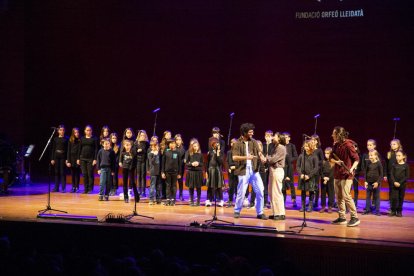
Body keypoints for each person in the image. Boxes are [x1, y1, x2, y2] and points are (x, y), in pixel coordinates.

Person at [232, 123, 267, 220]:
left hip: (254, 170)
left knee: (260, 190)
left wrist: (262, 157)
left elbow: (259, 152)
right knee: (241, 192)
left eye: (252, 131)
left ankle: (260, 212)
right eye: (250, 132)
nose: (252, 133)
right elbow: (234, 157)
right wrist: (246, 157)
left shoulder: (254, 141)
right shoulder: (237, 143)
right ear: (244, 132)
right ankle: (237, 210)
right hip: (243, 170)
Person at [330, 126, 360, 227]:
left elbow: (356, 159)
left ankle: (354, 217)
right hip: (337, 173)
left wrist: (351, 169)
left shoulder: (348, 145)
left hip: (347, 175)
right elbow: (330, 158)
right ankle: (342, 217)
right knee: (338, 196)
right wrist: (336, 161)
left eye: (333, 133)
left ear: (338, 134)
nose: (332, 135)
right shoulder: (336, 144)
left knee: (346, 195)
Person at [266, 133, 287, 220]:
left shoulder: (281, 147)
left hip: (277, 170)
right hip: (272, 170)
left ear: (279, 138)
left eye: (274, 136)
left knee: (277, 192)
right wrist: (269, 158)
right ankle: (275, 212)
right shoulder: (275, 146)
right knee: (271, 192)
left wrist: (268, 158)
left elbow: (273, 159)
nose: (273, 137)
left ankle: (280, 213)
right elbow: (271, 158)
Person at [296, 140, 319, 212]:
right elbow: (298, 166)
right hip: (303, 177)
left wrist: (309, 176)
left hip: (310, 177)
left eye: (307, 146)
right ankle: (303, 206)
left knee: (311, 191)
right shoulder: (301, 156)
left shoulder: (314, 156)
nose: (305, 147)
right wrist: (301, 174)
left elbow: (316, 168)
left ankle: (310, 206)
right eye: (305, 146)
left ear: (310, 147)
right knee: (303, 191)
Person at [77, 125, 98, 194]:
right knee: (84, 174)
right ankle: (85, 189)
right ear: (85, 131)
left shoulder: (94, 139)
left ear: (91, 131)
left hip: (91, 159)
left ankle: (90, 189)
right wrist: (78, 158)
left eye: (89, 130)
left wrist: (95, 159)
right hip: (82, 159)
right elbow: (79, 149)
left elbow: (96, 149)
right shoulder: (82, 138)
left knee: (90, 174)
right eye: (87, 130)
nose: (88, 131)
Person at [389, 150, 410, 217]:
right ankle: (393, 211)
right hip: (394, 184)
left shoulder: (406, 165)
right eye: (396, 156)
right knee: (394, 198)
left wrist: (400, 183)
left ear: (403, 156)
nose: (397, 157)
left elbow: (407, 176)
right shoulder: (394, 164)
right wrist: (394, 181)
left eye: (399, 155)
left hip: (402, 185)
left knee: (401, 198)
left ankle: (399, 211)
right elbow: (391, 174)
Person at [161, 139, 181, 206]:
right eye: (171, 143)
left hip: (175, 172)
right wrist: (162, 172)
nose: (172, 145)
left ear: (175, 144)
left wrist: (179, 173)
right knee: (168, 186)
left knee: (174, 186)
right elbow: (163, 162)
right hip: (167, 172)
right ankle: (168, 199)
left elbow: (179, 163)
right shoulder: (166, 152)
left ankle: (173, 199)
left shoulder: (178, 152)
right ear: (168, 144)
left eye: (173, 143)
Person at [384, 139, 403, 209]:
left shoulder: (401, 154)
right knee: (391, 190)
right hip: (390, 175)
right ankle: (391, 206)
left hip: (397, 175)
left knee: (397, 191)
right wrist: (385, 174)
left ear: (398, 145)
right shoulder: (389, 154)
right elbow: (385, 164)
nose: (392, 145)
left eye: (394, 144)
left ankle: (397, 206)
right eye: (391, 144)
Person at [363, 150, 383, 216]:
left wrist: (377, 182)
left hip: (376, 183)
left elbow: (381, 174)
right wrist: (365, 181)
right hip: (369, 183)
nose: (370, 156)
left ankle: (377, 211)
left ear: (376, 156)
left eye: (371, 155)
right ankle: (367, 210)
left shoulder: (378, 163)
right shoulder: (368, 163)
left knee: (377, 197)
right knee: (368, 196)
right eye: (369, 155)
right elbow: (365, 172)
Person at [206, 138, 224, 207]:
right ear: (212, 145)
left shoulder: (220, 153)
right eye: (215, 144)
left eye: (218, 144)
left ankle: (221, 200)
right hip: (211, 170)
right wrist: (206, 172)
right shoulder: (209, 152)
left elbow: (220, 162)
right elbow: (207, 163)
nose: (217, 146)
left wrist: (218, 153)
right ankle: (209, 200)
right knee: (210, 186)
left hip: (218, 170)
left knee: (219, 186)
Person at [282, 132, 298, 208]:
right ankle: (283, 201)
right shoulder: (281, 146)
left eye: (286, 137)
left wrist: (289, 160)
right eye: (284, 137)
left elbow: (296, 156)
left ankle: (293, 199)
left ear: (289, 138)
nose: (285, 138)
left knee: (291, 183)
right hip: (283, 167)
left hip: (290, 166)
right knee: (283, 184)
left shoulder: (292, 146)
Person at [185, 140, 204, 206]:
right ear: (192, 147)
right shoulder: (189, 154)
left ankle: (198, 201)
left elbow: (202, 163)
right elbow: (186, 163)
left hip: (198, 172)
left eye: (197, 146)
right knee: (191, 187)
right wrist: (192, 164)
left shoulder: (200, 154)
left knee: (198, 187)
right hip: (191, 172)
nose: (195, 147)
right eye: (194, 146)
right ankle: (191, 200)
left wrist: (198, 163)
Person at [51, 125, 68, 192]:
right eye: (60, 130)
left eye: (63, 130)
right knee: (56, 172)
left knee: (62, 172)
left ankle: (63, 188)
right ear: (58, 131)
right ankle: (56, 187)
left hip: (63, 156)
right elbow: (53, 149)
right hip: (56, 156)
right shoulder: (55, 139)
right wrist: (52, 158)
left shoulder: (66, 139)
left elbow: (67, 150)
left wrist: (67, 159)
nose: (62, 131)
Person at [320, 147, 335, 213]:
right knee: (323, 193)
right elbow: (320, 171)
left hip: (331, 180)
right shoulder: (323, 161)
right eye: (325, 153)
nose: (326, 155)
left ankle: (330, 206)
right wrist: (323, 177)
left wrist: (329, 178)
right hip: (323, 179)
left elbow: (333, 172)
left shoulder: (333, 162)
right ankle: (323, 206)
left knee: (331, 193)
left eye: (328, 153)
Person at [310, 134, 323, 209]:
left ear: (317, 141)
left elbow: (322, 160)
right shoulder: (310, 149)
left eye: (314, 140)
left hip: (316, 171)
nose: (312, 141)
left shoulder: (319, 150)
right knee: (310, 186)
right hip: (310, 170)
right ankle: (311, 201)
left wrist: (316, 162)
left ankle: (316, 201)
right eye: (312, 140)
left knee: (315, 186)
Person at [66, 127, 81, 193]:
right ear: (73, 133)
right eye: (75, 132)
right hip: (71, 158)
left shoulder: (80, 140)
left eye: (77, 132)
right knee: (72, 174)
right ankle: (73, 187)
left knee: (77, 174)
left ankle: (77, 187)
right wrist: (68, 160)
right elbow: (68, 151)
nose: (76, 134)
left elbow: (79, 151)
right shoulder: (70, 140)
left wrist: (78, 159)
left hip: (77, 158)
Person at [135, 130, 149, 197]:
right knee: (138, 176)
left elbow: (148, 152)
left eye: (143, 135)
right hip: (138, 161)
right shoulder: (136, 143)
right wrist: (137, 151)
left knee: (143, 176)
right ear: (139, 136)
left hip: (144, 161)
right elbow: (134, 152)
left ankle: (143, 191)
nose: (142, 136)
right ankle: (138, 190)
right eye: (141, 135)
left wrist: (143, 150)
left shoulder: (147, 143)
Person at [226, 138, 238, 208]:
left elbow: (240, 162)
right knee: (231, 186)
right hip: (230, 171)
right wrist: (228, 168)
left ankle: (237, 201)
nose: (232, 144)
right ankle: (230, 200)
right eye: (231, 142)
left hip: (237, 171)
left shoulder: (239, 152)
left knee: (237, 186)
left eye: (234, 143)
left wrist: (235, 167)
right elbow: (227, 161)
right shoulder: (229, 152)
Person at [175, 134, 186, 201]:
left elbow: (184, 158)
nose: (178, 141)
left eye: (179, 139)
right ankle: (173, 195)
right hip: (173, 167)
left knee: (180, 181)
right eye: (177, 140)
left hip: (180, 168)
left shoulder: (183, 148)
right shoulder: (173, 147)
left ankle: (181, 195)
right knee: (173, 182)